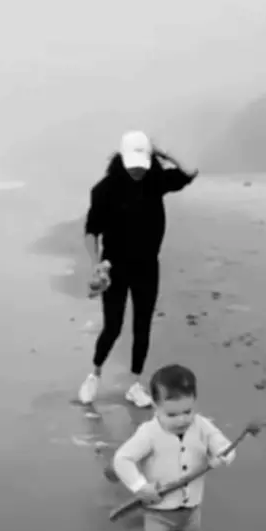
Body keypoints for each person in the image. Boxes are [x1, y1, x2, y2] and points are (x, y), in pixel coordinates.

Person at [77, 130, 199, 408]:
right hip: (114, 268)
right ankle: (94, 375)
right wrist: (96, 266)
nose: (137, 172)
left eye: (141, 166)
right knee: (113, 326)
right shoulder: (104, 189)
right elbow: (91, 231)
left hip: (147, 266)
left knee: (142, 326)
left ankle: (134, 384)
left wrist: (163, 154)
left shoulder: (156, 181)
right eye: (132, 166)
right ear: (121, 158)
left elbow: (189, 173)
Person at [111, 364, 235, 531]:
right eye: (172, 414)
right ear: (155, 407)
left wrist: (222, 456)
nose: (182, 420)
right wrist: (140, 486)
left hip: (192, 508)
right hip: (159, 510)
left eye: (187, 411)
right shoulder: (148, 434)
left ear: (195, 403)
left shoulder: (201, 426)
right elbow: (122, 459)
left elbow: (225, 447)